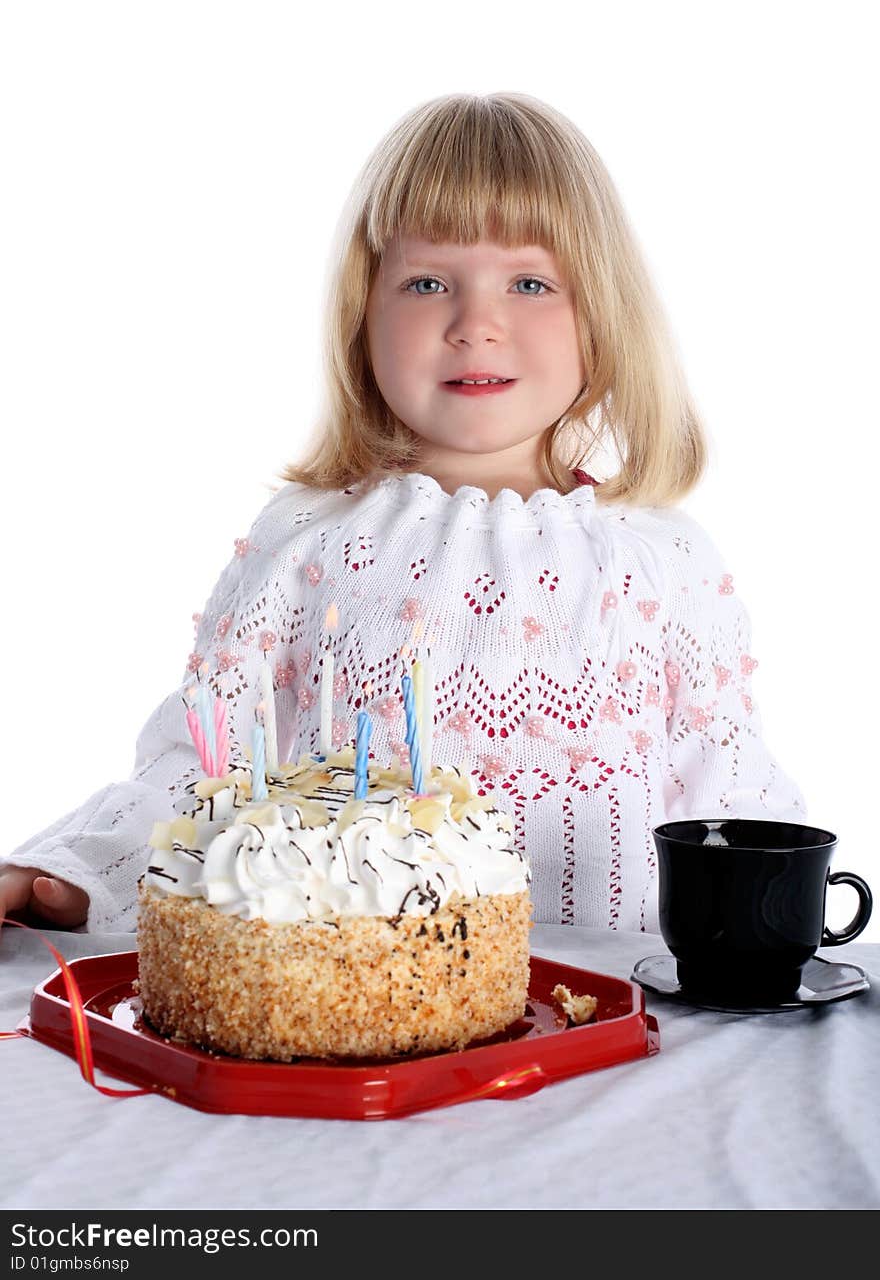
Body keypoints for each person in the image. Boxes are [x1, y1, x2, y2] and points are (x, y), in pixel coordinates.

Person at [0, 91, 807, 940]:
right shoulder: (307, 540)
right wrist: (80, 871)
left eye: (530, 283)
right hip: (358, 1021)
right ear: (364, 318)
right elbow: (200, 765)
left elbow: (730, 790)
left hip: (612, 1033)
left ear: (602, 317)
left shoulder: (660, 561)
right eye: (427, 283)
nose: (476, 325)